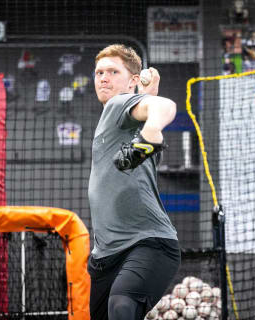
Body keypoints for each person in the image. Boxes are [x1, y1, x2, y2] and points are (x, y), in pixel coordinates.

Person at [87, 44, 181, 320]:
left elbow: (165, 106)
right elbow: (145, 106)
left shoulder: (118, 104)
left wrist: (152, 130)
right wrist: (146, 95)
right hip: (107, 255)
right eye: (99, 72)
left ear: (132, 81)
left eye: (113, 71)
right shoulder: (118, 117)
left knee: (122, 307)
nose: (103, 78)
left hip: (148, 243)